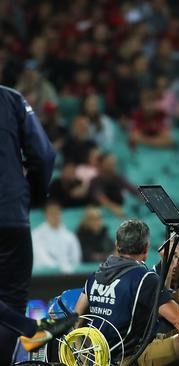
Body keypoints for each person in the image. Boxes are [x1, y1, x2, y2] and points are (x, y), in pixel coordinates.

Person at [74, 220, 179, 365]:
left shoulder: (94, 276)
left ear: (117, 245)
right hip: (129, 359)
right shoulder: (145, 278)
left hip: (98, 357)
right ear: (146, 249)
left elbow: (76, 320)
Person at [0, 84, 58, 362]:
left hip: (12, 208)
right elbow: (44, 155)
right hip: (12, 214)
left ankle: (30, 330)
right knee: (11, 299)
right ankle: (29, 330)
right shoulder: (11, 99)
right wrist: (31, 195)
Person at [31, 200, 82, 273]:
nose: (55, 216)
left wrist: (69, 268)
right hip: (46, 275)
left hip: (69, 275)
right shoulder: (36, 235)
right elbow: (41, 258)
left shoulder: (70, 236)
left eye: (57, 212)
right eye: (51, 213)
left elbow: (76, 258)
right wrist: (59, 268)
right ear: (45, 215)